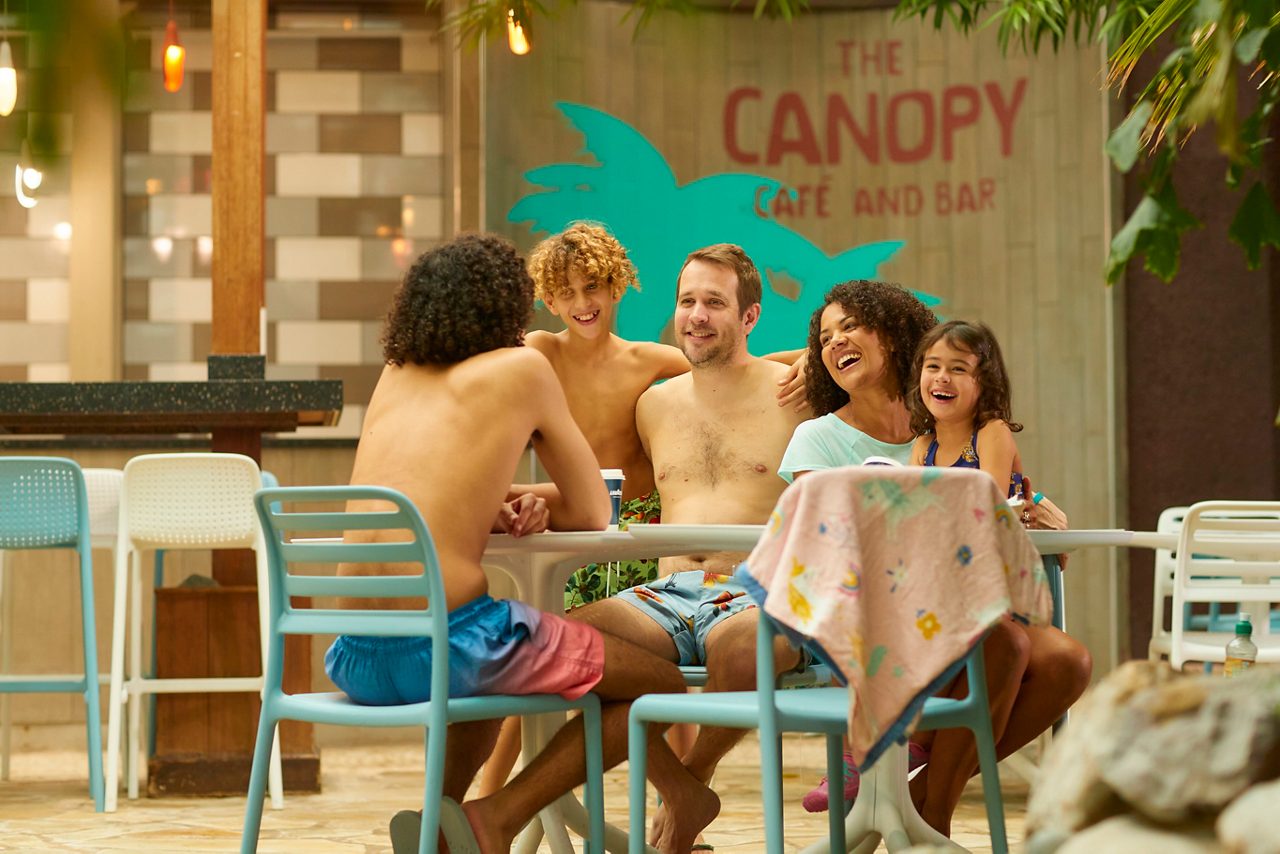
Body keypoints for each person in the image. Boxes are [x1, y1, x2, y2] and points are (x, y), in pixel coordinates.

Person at [327, 233, 704, 854]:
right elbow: (590, 511)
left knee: (491, 669)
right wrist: (534, 501)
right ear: (508, 308)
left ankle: (439, 826)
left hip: (357, 655)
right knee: (661, 684)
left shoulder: (394, 374)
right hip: (449, 650)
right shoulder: (522, 367)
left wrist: (493, 503)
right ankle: (498, 817)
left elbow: (431, 487)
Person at [779, 281, 1092, 836]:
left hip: (972, 597)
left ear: (897, 337)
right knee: (1004, 645)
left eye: (850, 326)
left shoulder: (949, 427)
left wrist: (1043, 514)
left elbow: (1007, 501)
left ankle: (919, 801)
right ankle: (929, 817)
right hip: (885, 611)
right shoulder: (819, 438)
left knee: (1066, 662)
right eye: (825, 337)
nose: (835, 343)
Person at [568, 243, 811, 852]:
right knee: (563, 644)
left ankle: (690, 785)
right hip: (666, 595)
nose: (696, 315)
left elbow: (889, 372)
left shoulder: (796, 391)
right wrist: (517, 496)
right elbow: (616, 485)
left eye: (715, 303)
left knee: (742, 648)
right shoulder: (653, 405)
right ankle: (683, 793)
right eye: (687, 301)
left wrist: (812, 357)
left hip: (754, 589)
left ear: (750, 317)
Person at [909, 320, 1025, 502]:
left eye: (958, 369)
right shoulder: (923, 447)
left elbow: (988, 510)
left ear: (985, 382)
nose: (942, 377)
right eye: (933, 366)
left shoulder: (992, 432)